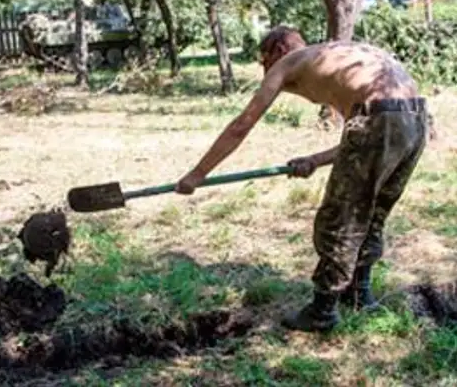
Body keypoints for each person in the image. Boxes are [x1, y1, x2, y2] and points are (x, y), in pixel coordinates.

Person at [174, 25, 430, 332]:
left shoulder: (288, 63)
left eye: (263, 62)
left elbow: (241, 125)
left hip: (384, 116)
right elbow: (370, 131)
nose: (264, 71)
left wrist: (197, 174)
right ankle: (359, 295)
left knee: (339, 219)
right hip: (417, 117)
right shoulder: (335, 57)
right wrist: (314, 160)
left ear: (278, 51)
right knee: (372, 212)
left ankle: (322, 312)